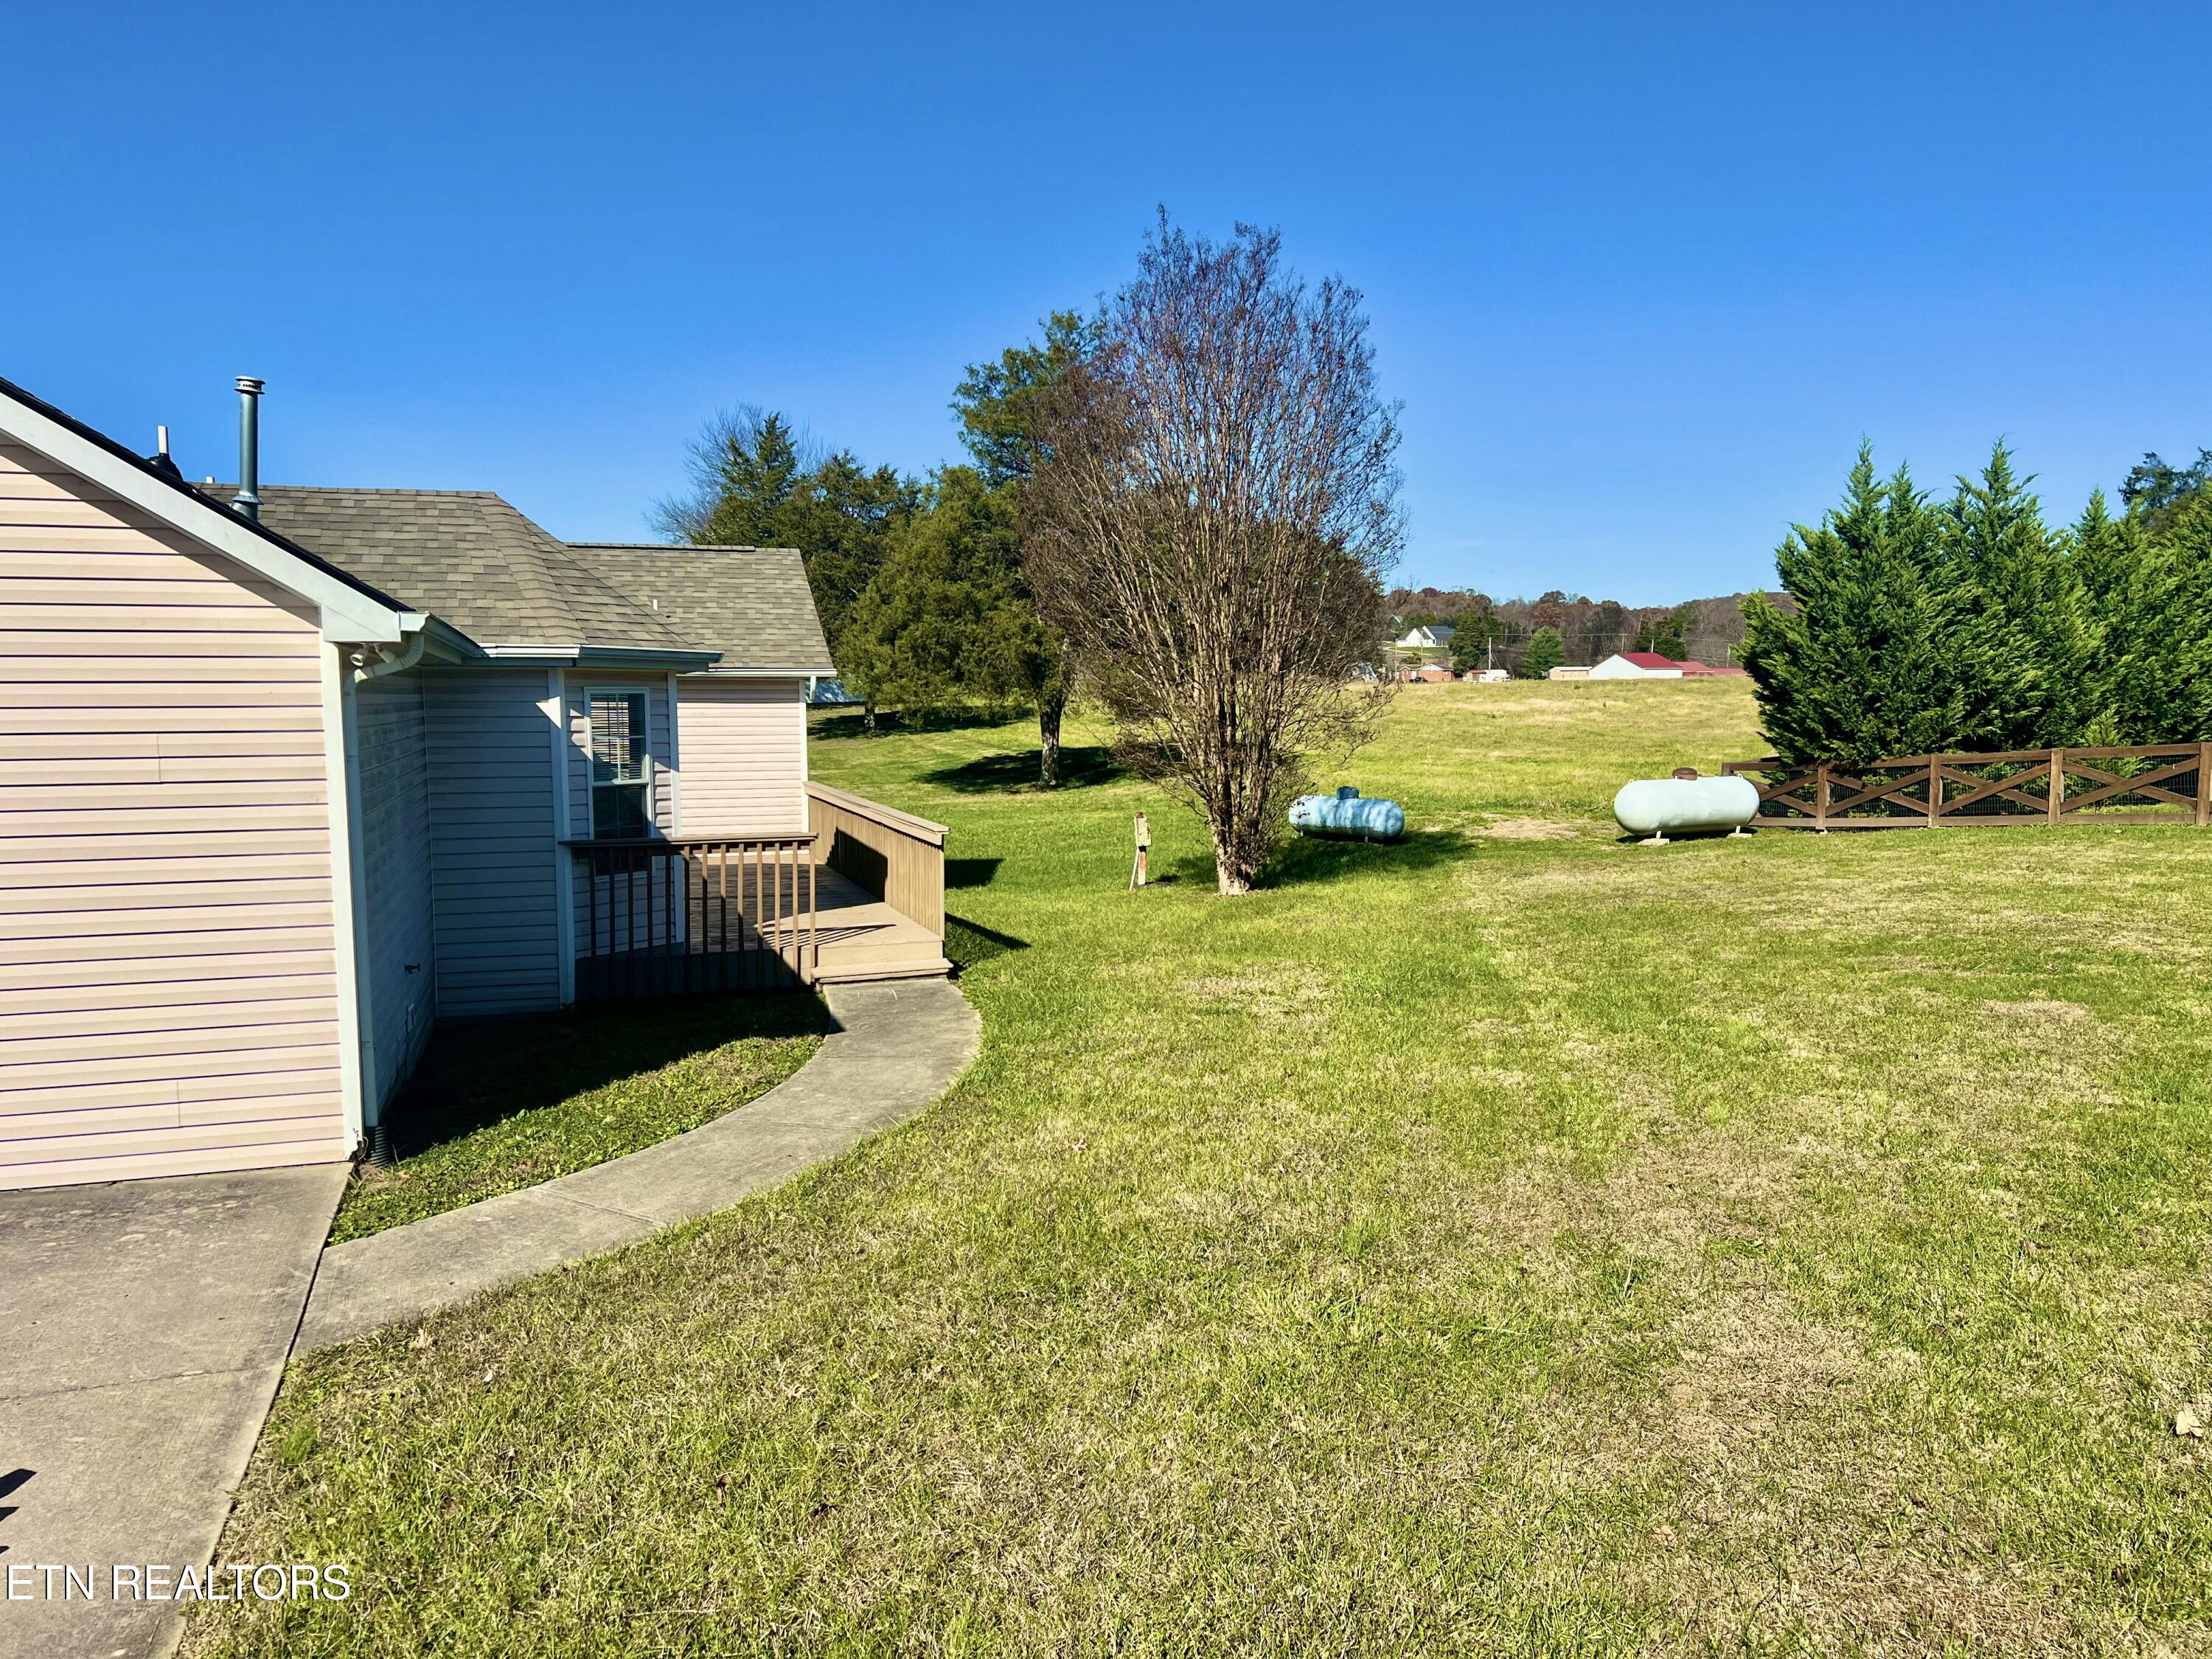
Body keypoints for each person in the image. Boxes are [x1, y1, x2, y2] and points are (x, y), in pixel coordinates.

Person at [1131, 810, 1151, 888]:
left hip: (1143, 840)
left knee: (1143, 853)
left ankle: (1142, 882)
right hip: (1141, 841)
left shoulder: (1144, 822)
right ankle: (1141, 882)